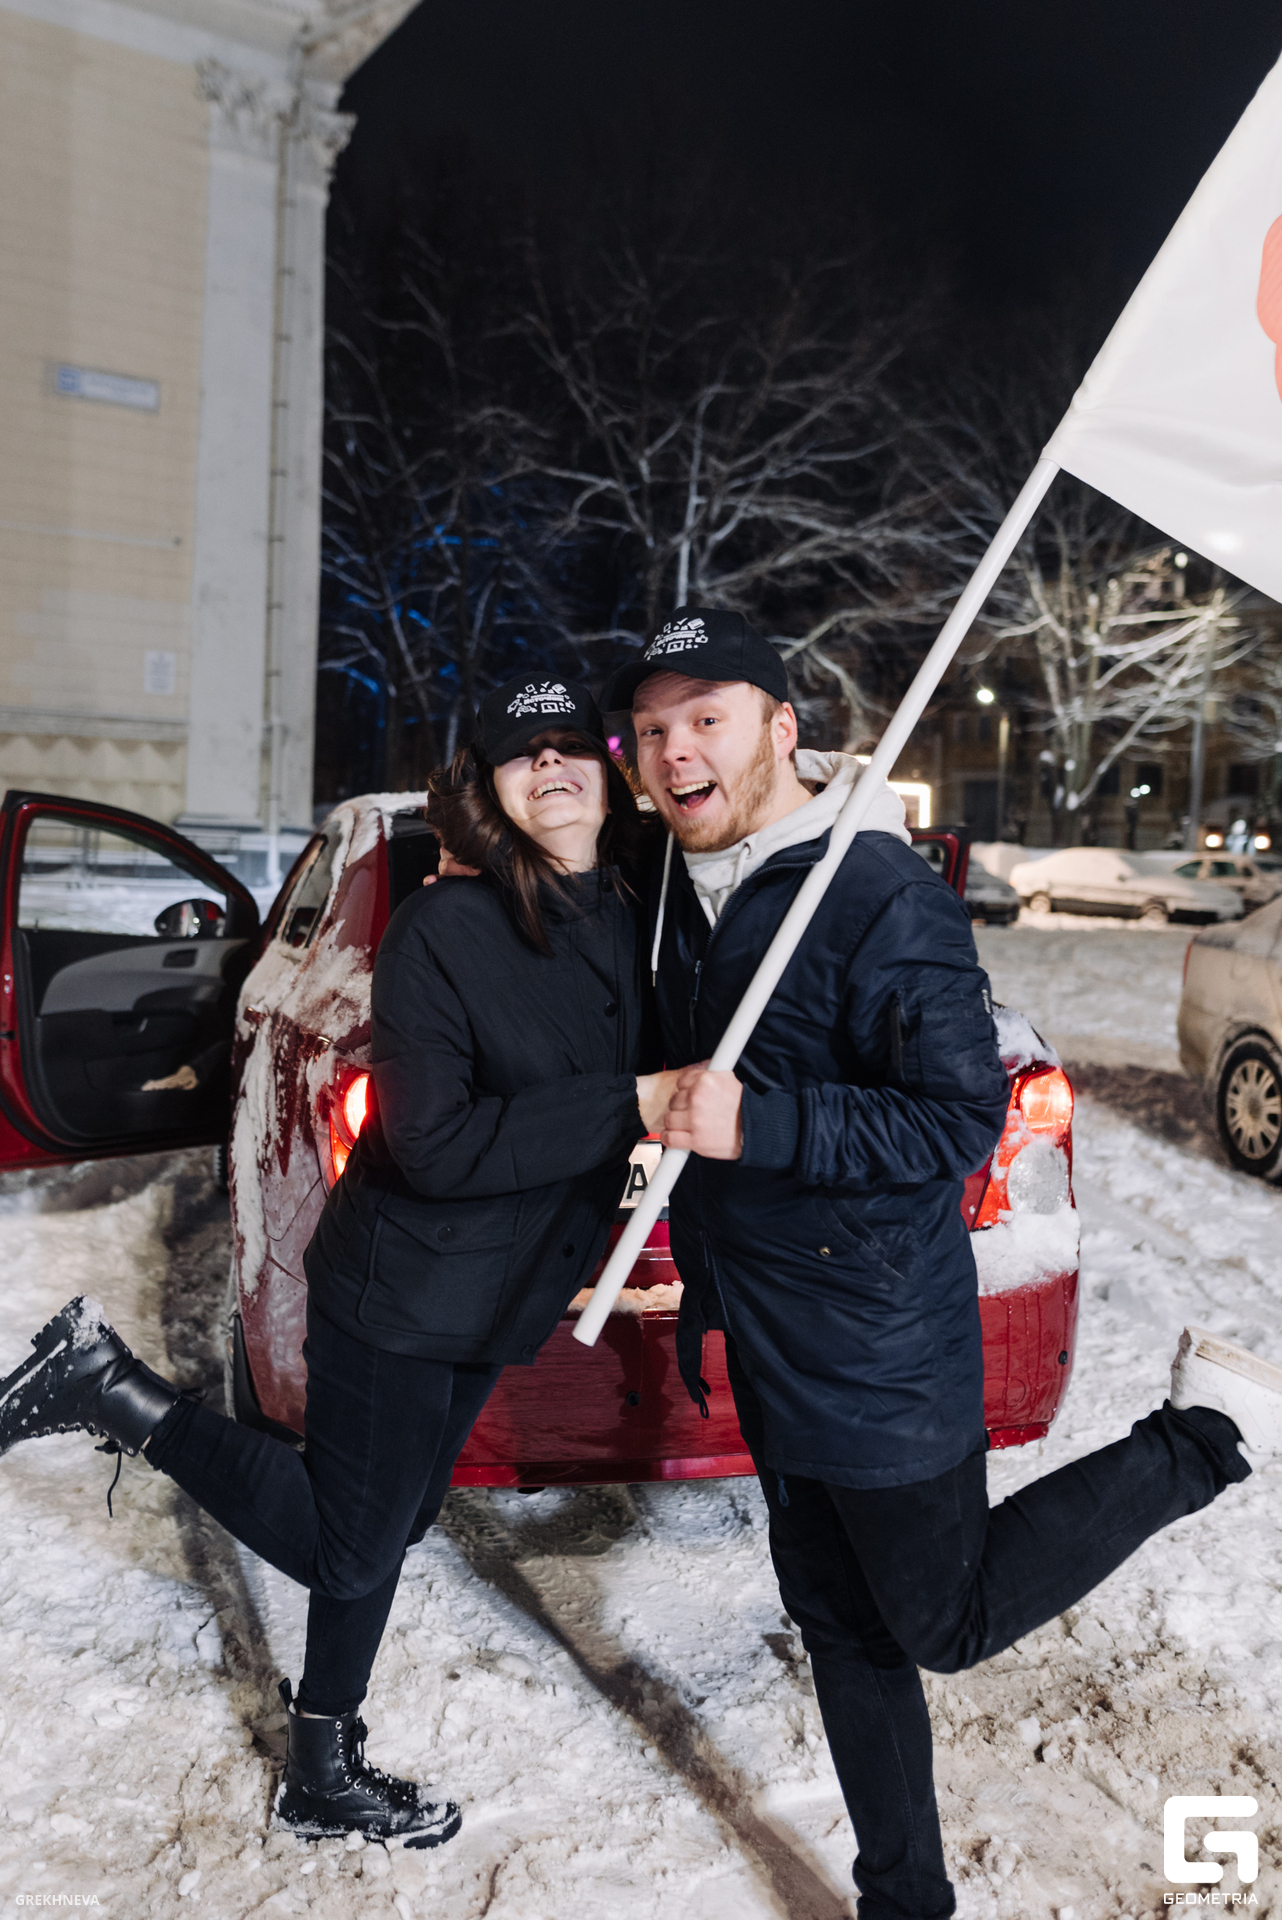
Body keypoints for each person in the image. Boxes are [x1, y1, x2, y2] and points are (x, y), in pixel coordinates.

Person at [604, 605, 1282, 1920]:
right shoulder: (683, 886)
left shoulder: (877, 896)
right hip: (768, 1331)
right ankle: (903, 1898)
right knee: (839, 1625)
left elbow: (953, 1120)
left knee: (943, 1621)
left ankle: (1198, 1438)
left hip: (875, 1337)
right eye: (651, 729)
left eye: (705, 719)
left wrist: (761, 1124)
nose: (674, 750)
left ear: (778, 728)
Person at [0, 673, 677, 1850]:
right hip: (402, 1289)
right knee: (346, 1543)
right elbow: (435, 1143)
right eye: (522, 752)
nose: (551, 764)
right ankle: (109, 1389)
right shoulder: (443, 930)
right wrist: (632, 1101)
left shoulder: (625, 914)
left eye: (572, 743)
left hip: (496, 1296)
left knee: (383, 1528)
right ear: (492, 791)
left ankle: (319, 1760)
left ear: (610, 775)